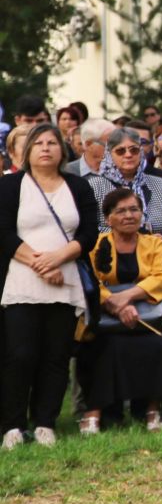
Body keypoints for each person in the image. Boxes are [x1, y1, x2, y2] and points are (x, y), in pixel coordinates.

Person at [0, 124, 97, 448]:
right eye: (38, 143)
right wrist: (41, 264)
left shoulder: (77, 186)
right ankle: (13, 425)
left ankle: (45, 422)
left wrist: (58, 259)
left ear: (62, 149)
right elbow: (3, 232)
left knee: (56, 355)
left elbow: (88, 233)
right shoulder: (12, 185)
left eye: (52, 142)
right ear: (26, 151)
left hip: (64, 279)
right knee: (21, 354)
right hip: (22, 279)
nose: (45, 148)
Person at [83, 189, 162, 431]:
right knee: (103, 349)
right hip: (106, 323)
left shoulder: (154, 243)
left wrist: (125, 298)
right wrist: (115, 306)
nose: (129, 215)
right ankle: (96, 413)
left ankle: (152, 411)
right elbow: (90, 281)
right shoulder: (96, 245)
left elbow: (161, 278)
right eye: (120, 211)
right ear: (108, 218)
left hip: (146, 320)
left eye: (134, 209)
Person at [89, 127, 162, 268]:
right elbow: (91, 229)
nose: (128, 155)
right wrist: (135, 241)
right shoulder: (95, 186)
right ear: (109, 154)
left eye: (134, 150)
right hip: (116, 269)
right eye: (120, 151)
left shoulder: (161, 184)